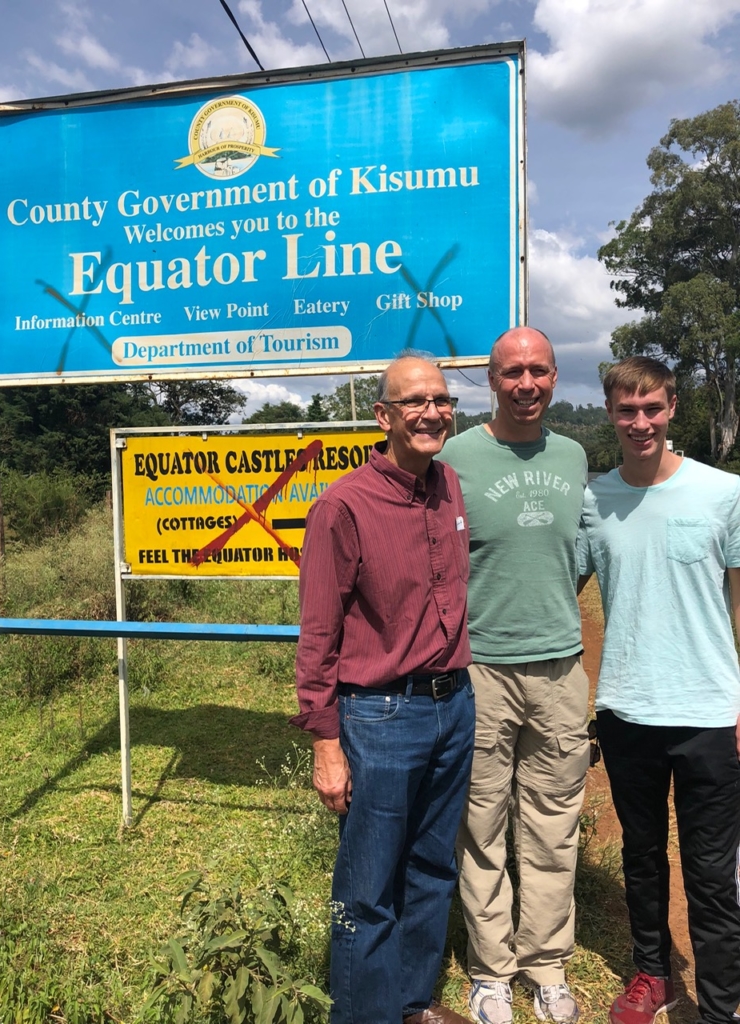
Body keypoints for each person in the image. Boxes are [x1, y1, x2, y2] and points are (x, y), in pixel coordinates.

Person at [292, 354, 476, 1024]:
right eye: (414, 402)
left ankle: (411, 1004)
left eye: (441, 399)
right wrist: (325, 742)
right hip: (381, 715)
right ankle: (363, 1014)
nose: (432, 412)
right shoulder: (342, 506)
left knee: (432, 870)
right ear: (384, 417)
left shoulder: (448, 485)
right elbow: (319, 633)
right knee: (367, 889)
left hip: (453, 706)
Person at [577, 356, 740, 1024]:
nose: (640, 422)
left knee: (710, 871)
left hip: (708, 712)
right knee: (641, 857)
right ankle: (654, 974)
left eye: (652, 409)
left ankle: (722, 1004)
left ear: (673, 407)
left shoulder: (722, 493)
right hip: (626, 709)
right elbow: (561, 593)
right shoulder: (594, 501)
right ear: (610, 413)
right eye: (626, 410)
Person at [439, 326, 589, 1024]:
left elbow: (579, 554)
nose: (526, 384)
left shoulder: (575, 456)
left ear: (555, 377)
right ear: (491, 381)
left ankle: (547, 964)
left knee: (554, 824)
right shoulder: (457, 456)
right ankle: (491, 970)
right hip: (482, 670)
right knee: (482, 825)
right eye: (511, 373)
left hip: (560, 666)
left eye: (539, 371)